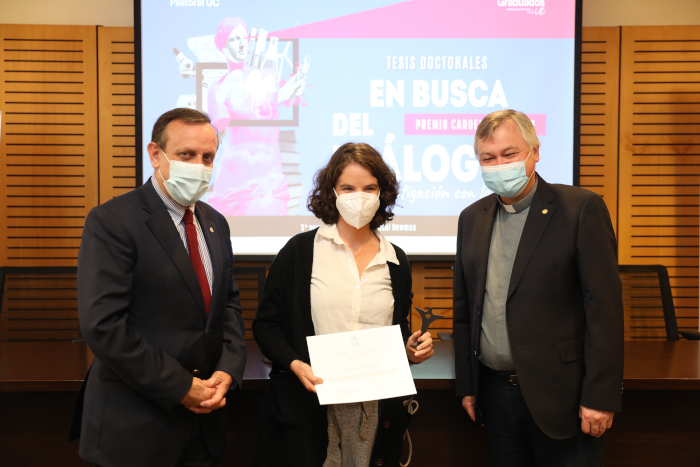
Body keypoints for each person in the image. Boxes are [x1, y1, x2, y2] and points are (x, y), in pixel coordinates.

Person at [71, 108, 247, 466]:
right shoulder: (112, 221)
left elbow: (227, 304)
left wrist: (228, 369)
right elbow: (103, 325)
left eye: (207, 157)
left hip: (206, 424)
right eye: (186, 154)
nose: (199, 166)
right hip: (136, 428)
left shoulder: (215, 221)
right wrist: (181, 387)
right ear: (155, 154)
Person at [453, 110, 624, 466]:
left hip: (564, 398)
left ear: (535, 152)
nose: (500, 165)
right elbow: (465, 310)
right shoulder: (471, 218)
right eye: (488, 158)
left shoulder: (580, 208)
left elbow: (604, 311)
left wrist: (600, 396)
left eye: (510, 154)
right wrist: (468, 387)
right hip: (495, 397)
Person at [252, 143, 434, 467]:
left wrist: (410, 347)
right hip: (310, 402)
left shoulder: (396, 261)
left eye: (369, 188)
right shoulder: (299, 251)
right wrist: (294, 363)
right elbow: (266, 325)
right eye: (348, 188)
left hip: (375, 405)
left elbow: (397, 329)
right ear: (332, 192)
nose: (359, 197)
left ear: (382, 193)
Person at [205, 17, 305, 216]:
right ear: (223, 47)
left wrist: (287, 92)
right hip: (232, 182)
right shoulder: (218, 88)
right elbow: (220, 125)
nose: (242, 43)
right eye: (234, 39)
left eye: (244, 38)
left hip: (269, 179)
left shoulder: (267, 78)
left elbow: (269, 106)